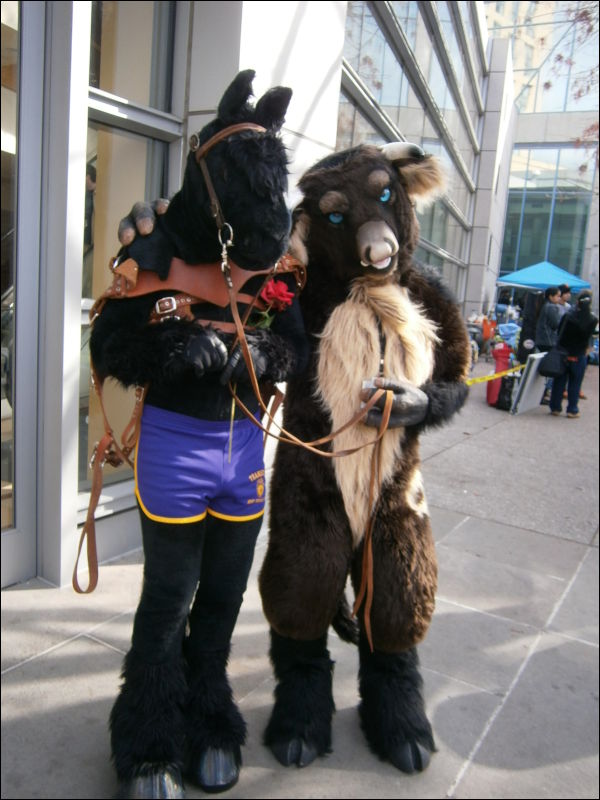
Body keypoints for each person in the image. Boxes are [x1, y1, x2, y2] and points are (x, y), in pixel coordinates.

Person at [549, 290, 598, 418]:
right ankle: (572, 409)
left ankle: (555, 407)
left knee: (559, 381)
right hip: (580, 353)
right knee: (575, 383)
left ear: (577, 302)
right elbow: (591, 336)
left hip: (564, 352)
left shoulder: (568, 316)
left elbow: (560, 331)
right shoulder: (593, 319)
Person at [535, 286, 561, 404]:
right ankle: (543, 394)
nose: (559, 298)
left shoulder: (545, 305)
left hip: (542, 340)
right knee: (548, 368)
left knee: (542, 367)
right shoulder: (551, 307)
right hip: (549, 341)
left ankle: (541, 394)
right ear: (551, 296)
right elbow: (556, 324)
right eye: (557, 296)